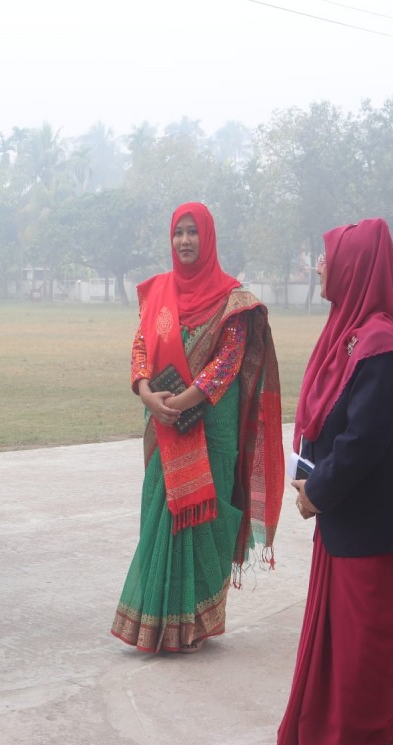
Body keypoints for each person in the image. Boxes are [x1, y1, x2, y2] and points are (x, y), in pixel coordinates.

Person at [110, 201, 284, 654]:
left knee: (208, 517)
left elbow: (227, 363)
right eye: (178, 232)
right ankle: (157, 623)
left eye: (193, 232)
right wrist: (147, 394)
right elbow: (140, 347)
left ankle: (195, 624)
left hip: (211, 425)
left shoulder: (233, 299)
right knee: (162, 511)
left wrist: (181, 402)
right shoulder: (158, 292)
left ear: (208, 238)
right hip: (164, 424)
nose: (185, 240)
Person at [277, 218, 393, 745]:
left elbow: (364, 440)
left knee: (365, 655)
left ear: (354, 267)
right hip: (344, 527)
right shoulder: (349, 332)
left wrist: (317, 490)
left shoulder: (380, 344)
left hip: (369, 532)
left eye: (327, 257)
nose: (319, 267)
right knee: (342, 650)